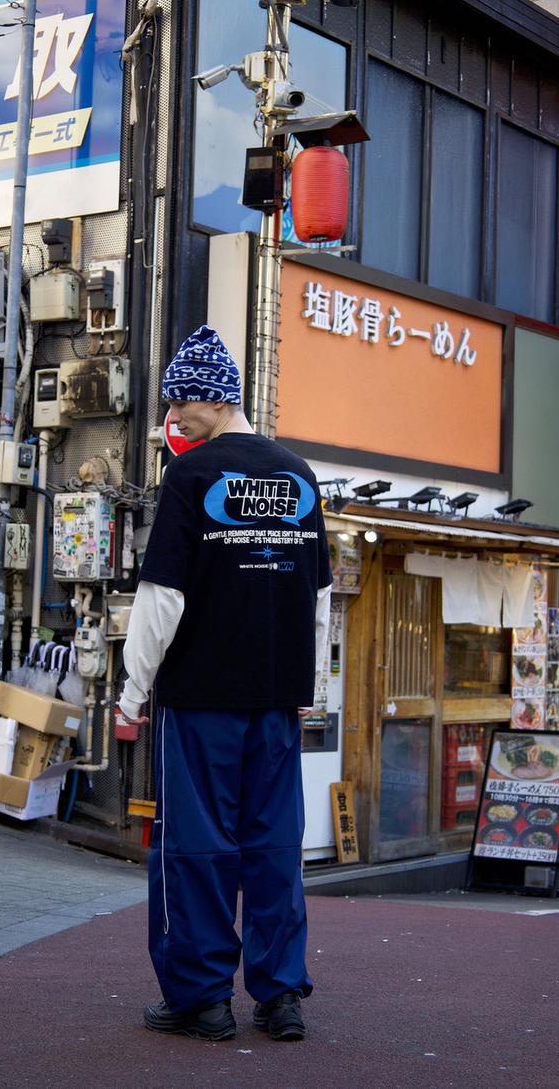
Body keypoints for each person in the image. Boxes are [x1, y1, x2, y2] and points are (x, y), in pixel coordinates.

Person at [117, 325, 332, 1043]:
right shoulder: (299, 476)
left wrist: (130, 690)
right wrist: (314, 684)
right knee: (274, 842)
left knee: (196, 846)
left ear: (214, 400)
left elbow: (162, 600)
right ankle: (281, 997)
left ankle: (201, 997)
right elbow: (321, 597)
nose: (172, 416)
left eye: (181, 403)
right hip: (276, 696)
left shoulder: (193, 476)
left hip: (202, 696)